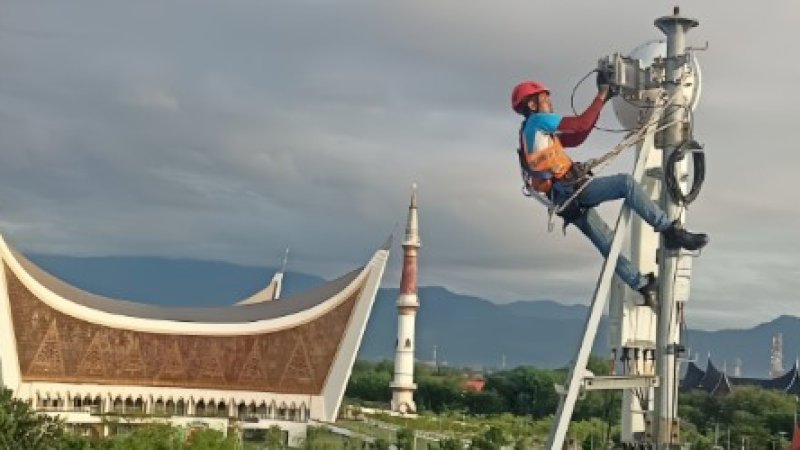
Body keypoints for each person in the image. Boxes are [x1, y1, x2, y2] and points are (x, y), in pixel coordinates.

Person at [511, 76, 708, 307]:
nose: (550, 103)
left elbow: (578, 136)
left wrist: (602, 101)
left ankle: (643, 286)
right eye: (545, 99)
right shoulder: (538, 122)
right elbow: (580, 125)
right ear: (532, 105)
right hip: (571, 190)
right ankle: (669, 230)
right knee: (625, 184)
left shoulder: (532, 134)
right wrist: (602, 95)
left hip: (564, 200)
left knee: (608, 243)